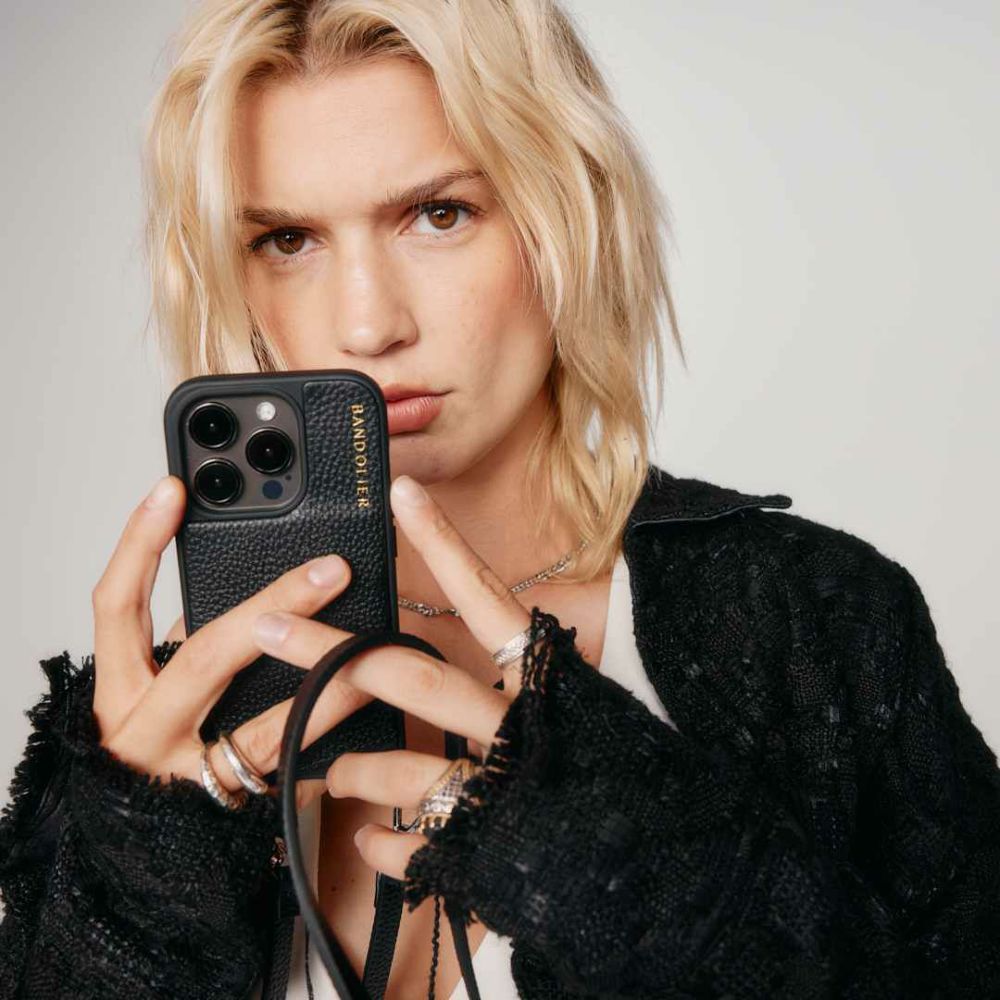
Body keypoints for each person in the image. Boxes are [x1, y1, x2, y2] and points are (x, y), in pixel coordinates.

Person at [2, 1, 998, 998]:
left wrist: (647, 883)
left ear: (570, 217)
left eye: (439, 214)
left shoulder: (808, 620)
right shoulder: (171, 710)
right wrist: (137, 875)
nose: (367, 324)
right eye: (289, 238)